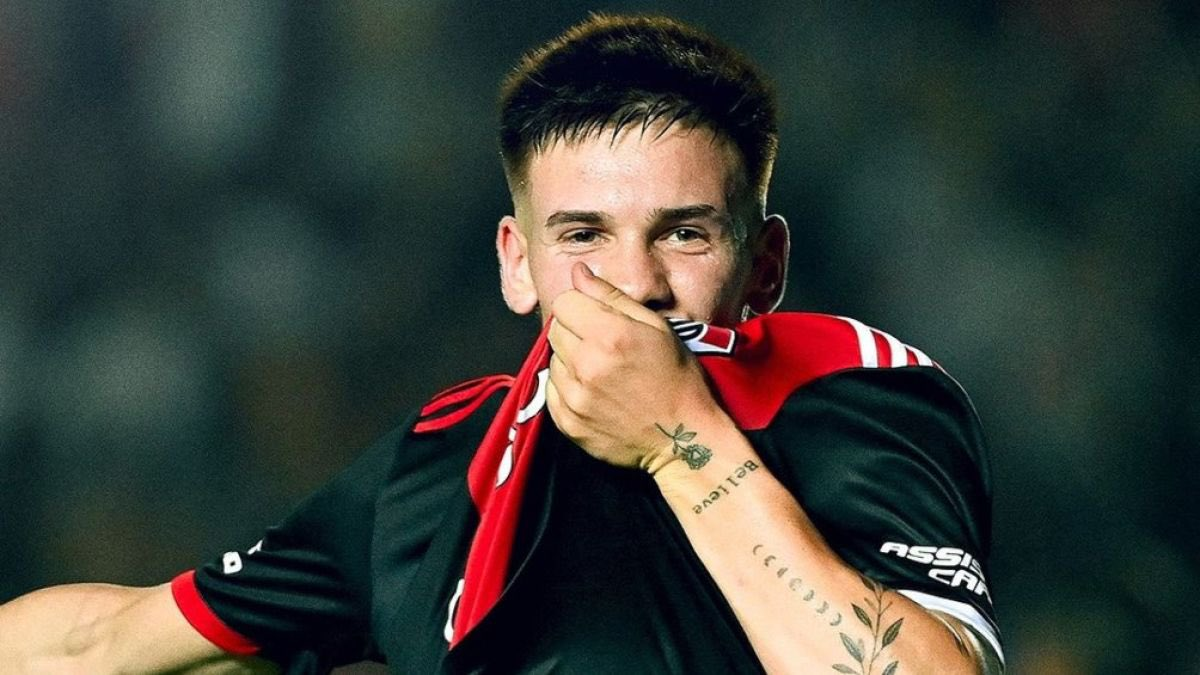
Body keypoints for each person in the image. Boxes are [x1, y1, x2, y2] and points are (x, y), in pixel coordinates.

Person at [0, 13, 1003, 674]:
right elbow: (101, 643)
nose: (636, 284)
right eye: (584, 235)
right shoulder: (437, 466)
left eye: (685, 233)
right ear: (516, 264)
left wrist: (679, 437)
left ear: (765, 264)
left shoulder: (846, 389)